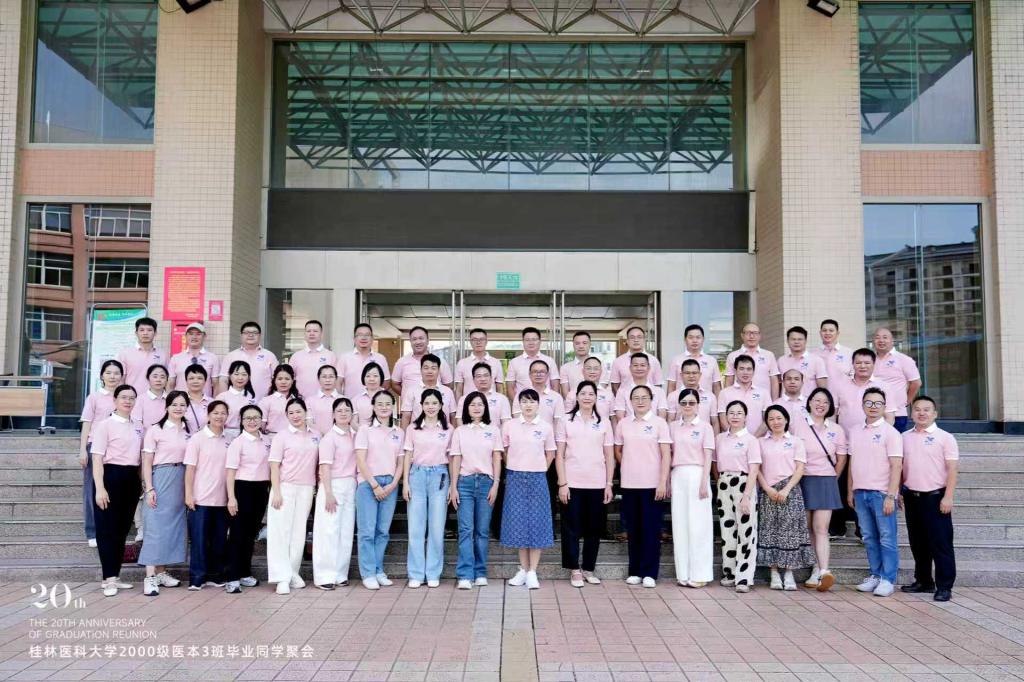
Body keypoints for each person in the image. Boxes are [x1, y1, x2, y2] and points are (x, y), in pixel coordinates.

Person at [555, 381, 615, 588]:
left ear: (596, 397)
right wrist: (562, 483)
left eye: (591, 393)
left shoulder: (604, 422)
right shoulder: (566, 420)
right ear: (577, 397)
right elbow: (559, 455)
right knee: (571, 528)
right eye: (583, 393)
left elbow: (609, 456)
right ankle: (574, 569)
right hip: (572, 483)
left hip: (597, 483)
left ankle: (588, 568)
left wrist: (609, 483)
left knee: (594, 529)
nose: (587, 397)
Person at [830, 348, 893, 540]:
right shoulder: (840, 385)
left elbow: (889, 416)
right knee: (839, 484)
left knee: (863, 485)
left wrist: (882, 438)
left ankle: (862, 530)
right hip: (843, 445)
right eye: (858, 362)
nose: (862, 366)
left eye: (867, 363)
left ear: (874, 364)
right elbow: (833, 415)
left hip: (871, 445)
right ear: (853, 364)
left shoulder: (883, 386)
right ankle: (837, 527)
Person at [900, 395, 958, 602]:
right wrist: (899, 492)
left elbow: (953, 469)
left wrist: (948, 497)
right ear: (912, 413)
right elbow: (899, 467)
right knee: (918, 542)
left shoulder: (945, 438)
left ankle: (944, 586)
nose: (921, 413)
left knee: (941, 544)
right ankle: (924, 581)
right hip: (912, 496)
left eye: (926, 410)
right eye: (917, 409)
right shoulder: (904, 437)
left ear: (935, 414)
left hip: (936, 497)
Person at [848, 387, 903, 597]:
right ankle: (875, 574)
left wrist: (891, 495)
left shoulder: (891, 433)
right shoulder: (855, 431)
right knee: (869, 537)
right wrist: (850, 490)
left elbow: (896, 466)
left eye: (878, 403)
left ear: (884, 406)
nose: (873, 407)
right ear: (862, 405)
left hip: (881, 494)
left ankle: (888, 579)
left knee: (887, 538)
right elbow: (852, 462)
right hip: (860, 492)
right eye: (869, 403)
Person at [614, 385, 671, 588]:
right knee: (634, 529)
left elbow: (666, 454)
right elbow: (618, 450)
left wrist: (662, 481)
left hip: (652, 485)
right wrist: (629, 464)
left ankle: (649, 573)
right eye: (636, 398)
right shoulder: (623, 424)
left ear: (651, 400)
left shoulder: (659, 423)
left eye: (644, 397)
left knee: (651, 529)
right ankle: (635, 571)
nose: (640, 401)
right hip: (629, 484)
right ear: (630, 401)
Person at [90, 384, 144, 597]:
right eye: (124, 397)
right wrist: (100, 488)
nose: (128, 401)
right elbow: (97, 458)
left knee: (122, 530)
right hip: (110, 477)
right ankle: (109, 578)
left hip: (131, 479)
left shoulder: (138, 426)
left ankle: (115, 575)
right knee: (107, 530)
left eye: (132, 398)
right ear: (115, 400)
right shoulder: (104, 425)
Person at [501, 389, 557, 590]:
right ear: (519, 404)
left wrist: (539, 468)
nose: (528, 405)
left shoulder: (545, 427)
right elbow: (505, 450)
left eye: (532, 401)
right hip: (515, 477)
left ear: (538, 404)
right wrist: (514, 465)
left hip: (537, 478)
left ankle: (533, 571)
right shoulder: (510, 425)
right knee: (519, 524)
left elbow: (550, 453)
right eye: (524, 401)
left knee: (536, 523)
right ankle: (523, 570)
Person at [756, 405, 815, 591]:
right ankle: (774, 572)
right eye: (771, 419)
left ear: (786, 419)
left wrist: (786, 489)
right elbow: (756, 468)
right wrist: (767, 488)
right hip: (768, 491)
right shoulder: (760, 442)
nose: (775, 422)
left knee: (789, 532)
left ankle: (789, 572)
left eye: (779, 418)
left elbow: (800, 468)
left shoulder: (796, 441)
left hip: (790, 490)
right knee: (769, 531)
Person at [449, 391, 503, 589]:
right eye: (472, 404)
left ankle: (480, 572)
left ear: (485, 408)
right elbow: (456, 459)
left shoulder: (493, 430)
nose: (476, 408)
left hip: (486, 483)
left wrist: (496, 484)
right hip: (465, 483)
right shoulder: (460, 431)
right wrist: (453, 486)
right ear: (466, 409)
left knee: (482, 530)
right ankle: (465, 574)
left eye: (480, 404)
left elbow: (496, 458)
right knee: (466, 530)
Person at [267, 398, 320, 595]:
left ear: (306, 412)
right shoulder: (281, 436)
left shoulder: (316, 435)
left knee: (298, 533)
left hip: (306, 489)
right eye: (291, 413)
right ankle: (281, 577)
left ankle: (293, 572)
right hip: (285, 488)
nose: (295, 416)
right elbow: (274, 466)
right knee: (281, 532)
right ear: (286, 416)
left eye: (299, 411)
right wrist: (277, 491)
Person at [139, 391, 189, 597]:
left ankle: (161, 572)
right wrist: (149, 488)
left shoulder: (189, 430)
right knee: (156, 527)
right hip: (161, 477)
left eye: (182, 405)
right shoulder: (155, 430)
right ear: (167, 406)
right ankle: (150, 576)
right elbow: (147, 461)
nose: (178, 408)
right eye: (174, 404)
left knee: (172, 528)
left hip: (182, 478)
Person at [354, 390, 405, 590]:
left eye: (387, 404)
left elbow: (400, 463)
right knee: (367, 531)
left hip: (390, 484)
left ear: (393, 407)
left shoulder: (399, 432)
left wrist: (393, 484)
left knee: (382, 531)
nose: (384, 407)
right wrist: (374, 485)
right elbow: (360, 459)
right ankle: (368, 573)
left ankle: (378, 570)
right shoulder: (365, 430)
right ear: (373, 407)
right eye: (380, 404)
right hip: (368, 484)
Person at [402, 389, 453, 588]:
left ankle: (433, 572)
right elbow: (407, 455)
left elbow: (452, 459)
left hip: (440, 476)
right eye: (427, 403)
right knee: (415, 527)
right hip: (417, 475)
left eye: (434, 403)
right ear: (421, 405)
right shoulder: (413, 429)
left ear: (441, 405)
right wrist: (406, 482)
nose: (431, 407)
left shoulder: (448, 430)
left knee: (437, 527)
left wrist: (453, 484)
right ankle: (415, 574)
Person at [800, 388, 847, 592]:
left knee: (821, 528)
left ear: (830, 407)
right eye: (817, 400)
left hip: (826, 480)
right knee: (808, 527)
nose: (821, 405)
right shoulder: (797, 425)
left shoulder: (836, 429)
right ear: (809, 402)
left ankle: (823, 570)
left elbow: (841, 457)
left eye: (825, 402)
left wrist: (832, 477)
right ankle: (814, 567)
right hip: (802, 479)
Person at [714, 400, 762, 593]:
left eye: (739, 413)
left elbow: (754, 469)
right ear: (726, 416)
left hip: (743, 484)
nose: (735, 416)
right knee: (727, 531)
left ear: (745, 416)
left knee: (746, 531)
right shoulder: (720, 438)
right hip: (724, 484)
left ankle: (744, 577)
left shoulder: (751, 440)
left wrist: (746, 496)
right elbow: (715, 464)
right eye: (731, 412)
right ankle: (730, 573)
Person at [668, 389, 715, 588]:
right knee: (680, 525)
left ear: (698, 405)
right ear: (679, 405)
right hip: (678, 474)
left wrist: (704, 482)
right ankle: (683, 573)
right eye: (684, 403)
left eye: (691, 403)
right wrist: (668, 480)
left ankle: (700, 574)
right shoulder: (672, 427)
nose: (687, 406)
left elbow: (708, 456)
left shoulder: (705, 427)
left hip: (698, 475)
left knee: (699, 526)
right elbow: (668, 454)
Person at [224, 404, 272, 594]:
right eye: (248, 418)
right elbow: (230, 472)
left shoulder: (267, 440)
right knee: (238, 534)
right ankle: (232, 577)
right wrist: (231, 497)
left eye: (256, 417)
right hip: (242, 488)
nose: (252, 421)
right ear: (241, 421)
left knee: (251, 534)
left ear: (261, 420)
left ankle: (245, 573)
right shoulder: (238, 442)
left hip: (261, 489)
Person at [183, 400, 230, 590]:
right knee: (199, 540)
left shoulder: (230, 439)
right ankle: (197, 578)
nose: (219, 416)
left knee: (219, 541)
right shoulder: (197, 439)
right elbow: (190, 469)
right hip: (201, 497)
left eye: (223, 413)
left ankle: (215, 576)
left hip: (223, 499)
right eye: (215, 413)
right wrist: (189, 494)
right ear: (208, 415)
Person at [312, 398, 358, 590]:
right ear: (333, 415)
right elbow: (324, 467)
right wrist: (328, 492)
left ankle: (340, 573)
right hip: (332, 485)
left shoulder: (355, 435)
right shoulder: (329, 438)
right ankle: (324, 575)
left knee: (346, 530)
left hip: (350, 485)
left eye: (347, 410)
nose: (343, 413)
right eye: (339, 410)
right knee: (329, 530)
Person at [79, 359, 123, 548]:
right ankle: (92, 530)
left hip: (117, 449)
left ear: (121, 376)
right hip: (95, 446)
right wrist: (82, 450)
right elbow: (87, 423)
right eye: (108, 373)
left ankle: (110, 528)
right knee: (92, 489)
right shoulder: (94, 397)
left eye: (116, 373)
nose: (112, 376)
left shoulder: (125, 396)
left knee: (112, 488)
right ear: (102, 376)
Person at [872, 328, 922, 432]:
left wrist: (906, 401)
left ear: (892, 341)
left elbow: (916, 383)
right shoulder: (870, 360)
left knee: (896, 442)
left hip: (897, 414)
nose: (881, 340)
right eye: (877, 337)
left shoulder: (904, 359)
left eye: (885, 337)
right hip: (873, 413)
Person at [218, 321, 279, 397]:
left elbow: (277, 379)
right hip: (236, 401)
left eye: (255, 333)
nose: (250, 335)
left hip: (264, 401)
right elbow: (224, 380)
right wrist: (224, 400)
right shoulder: (231, 356)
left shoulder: (269, 356)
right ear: (241, 335)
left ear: (260, 336)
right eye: (246, 332)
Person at [391, 326, 454, 396]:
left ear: (428, 340)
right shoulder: (402, 362)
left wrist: (437, 398)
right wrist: (407, 396)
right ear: (410, 342)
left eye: (421, 338)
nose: (418, 342)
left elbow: (448, 385)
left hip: (434, 402)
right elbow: (394, 384)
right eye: (414, 339)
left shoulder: (440, 362)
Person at [724, 323, 780, 399]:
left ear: (760, 336)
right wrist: (728, 400)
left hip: (763, 401)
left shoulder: (769, 355)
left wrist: (774, 402)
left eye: (755, 333)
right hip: (738, 400)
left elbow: (774, 381)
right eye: (748, 333)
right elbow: (729, 380)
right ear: (742, 335)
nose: (752, 336)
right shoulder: (733, 356)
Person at [717, 355, 770, 435]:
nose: (745, 372)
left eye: (749, 369)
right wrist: (736, 438)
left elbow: (767, 420)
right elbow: (723, 420)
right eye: (741, 369)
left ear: (753, 371)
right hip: (732, 440)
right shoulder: (724, 393)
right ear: (735, 371)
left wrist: (753, 439)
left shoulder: (764, 393)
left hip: (758, 440)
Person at [400, 354, 456, 428]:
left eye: (433, 368)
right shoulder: (411, 391)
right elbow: (406, 417)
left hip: (443, 433)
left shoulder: (448, 392)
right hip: (417, 433)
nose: (430, 371)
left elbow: (453, 416)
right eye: (426, 368)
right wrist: (404, 434)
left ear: (439, 370)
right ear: (421, 370)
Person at [339, 323, 391, 399]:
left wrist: (378, 400)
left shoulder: (380, 358)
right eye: (360, 335)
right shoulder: (344, 358)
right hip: (350, 404)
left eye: (367, 335)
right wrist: (342, 401)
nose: (363, 338)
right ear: (354, 338)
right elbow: (338, 383)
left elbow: (386, 383)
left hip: (374, 404)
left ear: (372, 338)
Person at [666, 324, 722, 396]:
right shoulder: (676, 360)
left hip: (706, 401)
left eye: (698, 337)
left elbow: (716, 386)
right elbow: (671, 386)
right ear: (685, 339)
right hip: (683, 401)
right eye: (691, 337)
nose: (694, 340)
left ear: (703, 339)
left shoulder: (711, 361)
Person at [289, 320, 338, 401]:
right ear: (304, 334)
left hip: (325, 401)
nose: (312, 334)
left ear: (321, 334)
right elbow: (289, 379)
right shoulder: (296, 356)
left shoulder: (331, 356)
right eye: (308, 331)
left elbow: (337, 380)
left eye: (315, 331)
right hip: (301, 402)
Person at [505, 327, 559, 400]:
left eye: (534, 339)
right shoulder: (514, 362)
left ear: (540, 341)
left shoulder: (550, 361)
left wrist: (552, 402)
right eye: (527, 340)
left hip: (546, 403)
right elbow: (510, 387)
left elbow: (555, 385)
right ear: (523, 342)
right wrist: (517, 404)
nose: (531, 343)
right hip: (523, 403)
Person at [117, 317, 166, 397]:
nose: (145, 333)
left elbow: (167, 379)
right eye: (142, 330)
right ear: (136, 333)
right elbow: (120, 380)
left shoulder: (162, 354)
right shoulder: (125, 354)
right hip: (132, 399)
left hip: (156, 398)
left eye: (149, 330)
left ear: (155, 333)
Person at [666, 359, 718, 432]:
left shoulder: (710, 396)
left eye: (694, 373)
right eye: (687, 373)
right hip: (680, 436)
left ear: (700, 375)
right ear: (681, 375)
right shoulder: (673, 396)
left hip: (704, 436)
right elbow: (670, 420)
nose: (691, 376)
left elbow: (715, 422)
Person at [168, 322, 219, 396]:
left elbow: (216, 385)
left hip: (204, 401)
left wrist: (214, 402)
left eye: (198, 334)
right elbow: (170, 384)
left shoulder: (213, 358)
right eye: (191, 334)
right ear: (186, 336)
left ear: (204, 336)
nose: (194, 337)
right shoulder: (176, 358)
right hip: (181, 401)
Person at [612, 353, 668, 420]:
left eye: (642, 365)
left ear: (649, 368)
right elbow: (620, 417)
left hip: (654, 426)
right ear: (630, 368)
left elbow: (662, 416)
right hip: (630, 426)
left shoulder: (659, 391)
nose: (639, 368)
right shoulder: (622, 391)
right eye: (635, 365)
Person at [777, 326, 828, 398]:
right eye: (793, 339)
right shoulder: (781, 360)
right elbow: (778, 385)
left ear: (805, 341)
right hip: (786, 403)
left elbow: (822, 388)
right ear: (787, 341)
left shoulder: (816, 360)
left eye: (800, 339)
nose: (796, 342)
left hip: (808, 403)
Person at [455, 362, 512, 426]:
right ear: (473, 379)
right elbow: (460, 422)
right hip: (470, 432)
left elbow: (506, 424)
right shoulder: (464, 399)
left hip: (495, 432)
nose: (483, 379)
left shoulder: (502, 399)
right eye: (479, 376)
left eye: (486, 375)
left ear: (491, 378)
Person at [455, 328, 504, 399]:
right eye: (474, 339)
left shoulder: (496, 362)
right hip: (469, 404)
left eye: (481, 339)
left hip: (491, 404)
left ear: (486, 341)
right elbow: (459, 390)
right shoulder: (462, 363)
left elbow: (500, 388)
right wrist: (459, 405)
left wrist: (500, 403)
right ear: (470, 342)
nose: (478, 342)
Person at [610, 327, 663, 394]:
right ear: (627, 341)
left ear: (644, 340)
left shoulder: (653, 360)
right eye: (632, 337)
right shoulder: (618, 361)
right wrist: (622, 399)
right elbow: (615, 386)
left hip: (649, 399)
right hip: (625, 399)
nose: (636, 340)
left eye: (639, 337)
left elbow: (658, 384)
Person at [512, 360, 566, 425]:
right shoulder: (520, 395)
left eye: (542, 372)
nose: (538, 374)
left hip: (549, 431)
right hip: (525, 431)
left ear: (548, 375)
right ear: (529, 374)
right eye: (535, 371)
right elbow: (517, 418)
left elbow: (559, 422)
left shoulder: (556, 397)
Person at [214, 360, 257, 440]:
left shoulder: (252, 398)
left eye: (244, 374)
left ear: (249, 377)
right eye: (236, 374)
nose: (240, 378)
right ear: (230, 376)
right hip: (224, 435)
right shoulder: (222, 397)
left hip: (247, 435)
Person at [559, 331, 603, 400]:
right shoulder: (565, 368)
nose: (581, 346)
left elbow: (602, 392)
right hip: (573, 405)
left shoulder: (600, 365)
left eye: (584, 343)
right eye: (577, 343)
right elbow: (566, 395)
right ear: (573, 345)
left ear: (590, 344)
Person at [259, 364, 300, 435]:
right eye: (280, 379)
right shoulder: (266, 401)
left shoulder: (299, 400)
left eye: (287, 379)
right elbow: (261, 426)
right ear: (274, 380)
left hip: (296, 437)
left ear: (292, 380)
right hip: (272, 437)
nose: (283, 382)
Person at [772, 369, 810, 436]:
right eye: (789, 379)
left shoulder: (810, 403)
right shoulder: (775, 405)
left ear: (802, 383)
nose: (792, 382)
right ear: (783, 382)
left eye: (796, 379)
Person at [307, 365, 343, 435]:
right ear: (318, 379)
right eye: (324, 377)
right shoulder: (310, 400)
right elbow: (309, 422)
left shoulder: (343, 400)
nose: (327, 380)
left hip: (338, 437)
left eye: (331, 377)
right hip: (317, 437)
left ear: (336, 379)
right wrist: (322, 435)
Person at [353, 362, 386, 426]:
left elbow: (392, 421)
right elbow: (354, 422)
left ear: (381, 377)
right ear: (363, 378)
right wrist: (364, 431)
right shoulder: (356, 399)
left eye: (375, 376)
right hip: (362, 431)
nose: (372, 379)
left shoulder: (389, 397)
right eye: (368, 376)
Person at [182, 365, 211, 433]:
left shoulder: (212, 403)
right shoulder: (179, 401)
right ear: (186, 381)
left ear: (205, 381)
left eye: (199, 378)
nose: (195, 381)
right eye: (191, 378)